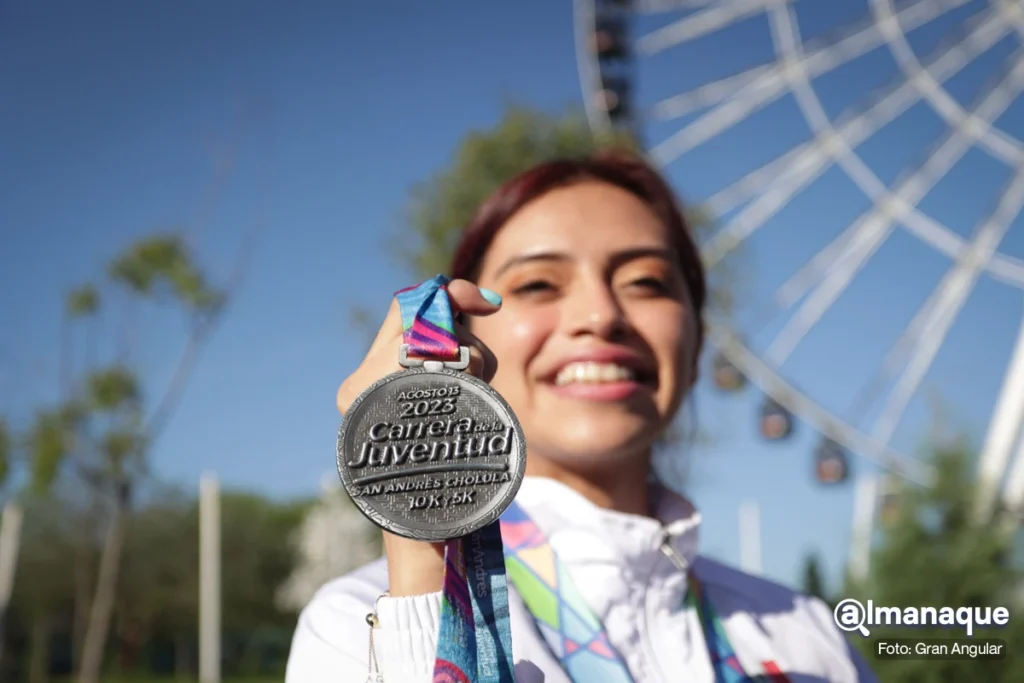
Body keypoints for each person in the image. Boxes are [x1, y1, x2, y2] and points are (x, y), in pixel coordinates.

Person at [285, 151, 876, 682]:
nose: (600, 315)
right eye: (539, 284)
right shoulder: (359, 625)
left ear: (697, 345)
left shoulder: (807, 637)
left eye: (646, 282)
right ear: (463, 336)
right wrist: (422, 548)